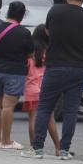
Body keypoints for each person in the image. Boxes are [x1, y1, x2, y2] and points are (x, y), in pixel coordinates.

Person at [22, 0, 83, 160]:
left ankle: (37, 149)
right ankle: (64, 150)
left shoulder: (55, 11)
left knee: (44, 107)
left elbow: (49, 32)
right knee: (70, 111)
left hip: (55, 66)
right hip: (79, 69)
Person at [0, 1, 34, 150]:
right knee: (8, 107)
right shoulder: (24, 33)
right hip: (14, 73)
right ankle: (7, 141)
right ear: (21, 15)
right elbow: (30, 53)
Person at [23, 24, 60, 155]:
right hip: (46, 88)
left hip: (31, 89)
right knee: (50, 118)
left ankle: (35, 147)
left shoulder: (29, 55)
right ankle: (58, 148)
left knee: (32, 118)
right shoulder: (49, 52)